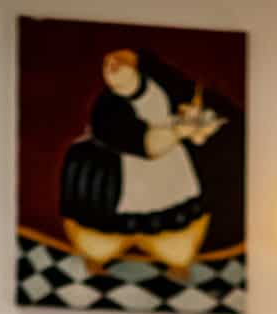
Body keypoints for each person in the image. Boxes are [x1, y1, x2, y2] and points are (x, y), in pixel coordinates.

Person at [58, 48, 229, 275]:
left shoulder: (161, 82)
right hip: (121, 173)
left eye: (119, 64)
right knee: (101, 238)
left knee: (176, 235)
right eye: (107, 65)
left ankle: (178, 264)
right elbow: (147, 146)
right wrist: (179, 131)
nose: (111, 70)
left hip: (170, 170)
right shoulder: (107, 107)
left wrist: (197, 122)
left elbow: (189, 102)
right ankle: (95, 264)